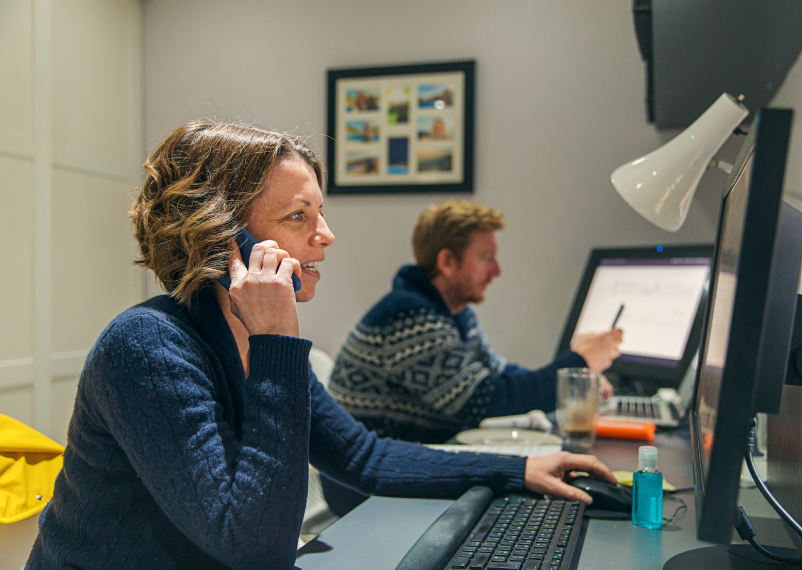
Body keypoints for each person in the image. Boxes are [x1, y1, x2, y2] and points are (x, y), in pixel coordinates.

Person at [26, 121, 617, 570]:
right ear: (223, 238)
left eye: (322, 212)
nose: (326, 235)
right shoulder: (146, 348)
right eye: (298, 216)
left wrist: (519, 469)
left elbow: (364, 457)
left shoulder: (249, 337)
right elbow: (256, 546)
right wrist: (280, 345)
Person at [328, 199, 622, 444]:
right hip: (367, 489)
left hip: (407, 460)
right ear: (447, 262)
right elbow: (484, 402)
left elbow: (497, 374)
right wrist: (579, 362)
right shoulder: (409, 318)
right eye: (486, 258)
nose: (497, 271)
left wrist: (573, 379)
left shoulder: (452, 310)